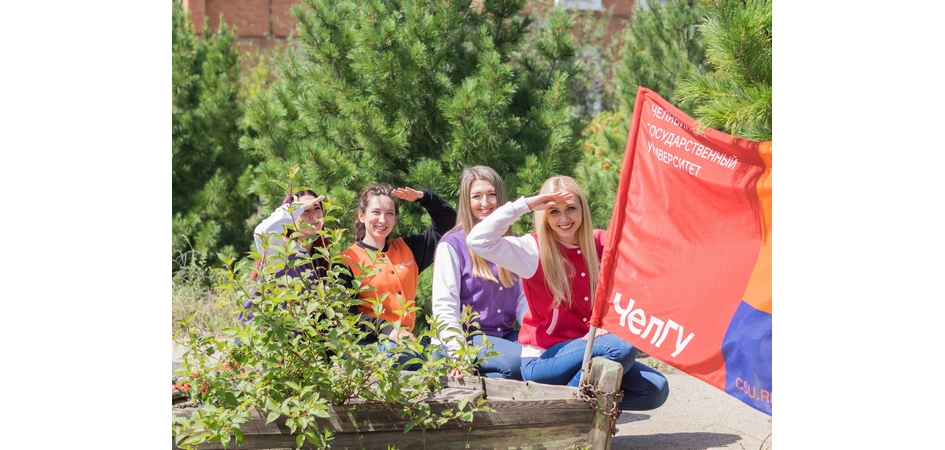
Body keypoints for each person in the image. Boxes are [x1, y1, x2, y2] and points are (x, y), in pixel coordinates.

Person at [466, 175, 670, 411]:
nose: (564, 219)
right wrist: (529, 204)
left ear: (583, 208)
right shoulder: (533, 250)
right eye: (554, 211)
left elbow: (645, 276)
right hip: (544, 359)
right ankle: (572, 414)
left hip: (593, 350)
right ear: (544, 214)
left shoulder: (602, 243)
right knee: (620, 348)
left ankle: (568, 409)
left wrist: (613, 322)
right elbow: (478, 240)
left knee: (655, 388)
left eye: (571, 208)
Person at [338, 183, 456, 369]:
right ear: (362, 216)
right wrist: (387, 329)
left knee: (448, 359)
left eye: (389, 214)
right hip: (368, 346)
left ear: (395, 219)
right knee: (411, 358)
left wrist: (423, 197)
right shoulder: (346, 260)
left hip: (406, 344)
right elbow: (344, 314)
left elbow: (447, 222)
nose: (382, 220)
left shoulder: (409, 249)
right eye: (376, 212)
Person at [431, 166, 528, 380]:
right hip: (466, 338)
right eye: (477, 196)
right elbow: (444, 308)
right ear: (466, 201)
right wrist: (459, 355)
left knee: (538, 361)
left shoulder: (515, 243)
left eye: (492, 194)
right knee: (515, 362)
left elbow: (524, 302)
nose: (486, 203)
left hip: (505, 336)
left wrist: (537, 335)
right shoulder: (452, 245)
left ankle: (492, 378)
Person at [239, 190, 328, 325]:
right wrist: (295, 208)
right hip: (261, 337)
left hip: (296, 338)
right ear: (291, 218)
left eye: (317, 208)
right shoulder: (281, 249)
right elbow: (262, 233)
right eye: (306, 211)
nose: (314, 215)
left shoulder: (319, 255)